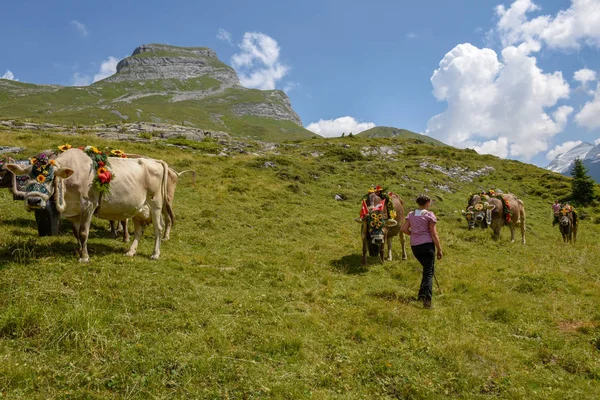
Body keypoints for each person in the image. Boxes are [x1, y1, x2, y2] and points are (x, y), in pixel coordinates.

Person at [401, 194, 443, 309]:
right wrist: (439, 249)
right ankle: (427, 302)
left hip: (415, 246)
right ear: (427, 203)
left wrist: (413, 234)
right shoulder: (429, 215)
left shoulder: (411, 214)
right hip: (427, 246)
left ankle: (421, 296)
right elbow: (434, 234)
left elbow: (403, 229)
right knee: (428, 273)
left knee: (427, 270)